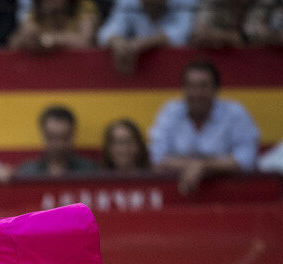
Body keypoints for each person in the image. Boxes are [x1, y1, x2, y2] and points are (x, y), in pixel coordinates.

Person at [148, 60, 259, 195]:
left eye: (203, 86)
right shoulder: (170, 112)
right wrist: (195, 166)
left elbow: (246, 158)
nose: (197, 93)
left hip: (231, 194)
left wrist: (203, 166)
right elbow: (156, 157)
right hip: (176, 194)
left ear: (216, 88)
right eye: (191, 86)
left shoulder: (235, 113)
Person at [97, 0, 197, 75]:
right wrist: (118, 44)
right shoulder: (127, 2)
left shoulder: (184, 2)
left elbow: (185, 33)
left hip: (178, 72)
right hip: (139, 78)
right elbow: (106, 32)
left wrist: (143, 44)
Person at [16, 105, 98, 177]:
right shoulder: (27, 172)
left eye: (64, 137)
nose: (59, 144)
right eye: (52, 137)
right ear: (43, 136)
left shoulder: (90, 171)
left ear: (73, 135)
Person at [8, 0, 99, 52]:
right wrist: (27, 40)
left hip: (81, 70)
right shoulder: (35, 11)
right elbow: (15, 43)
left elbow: (84, 42)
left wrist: (48, 40)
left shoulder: (83, 5)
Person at [190, 0, 256, 48]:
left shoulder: (260, 4)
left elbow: (257, 37)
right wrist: (234, 37)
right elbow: (201, 34)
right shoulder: (215, 4)